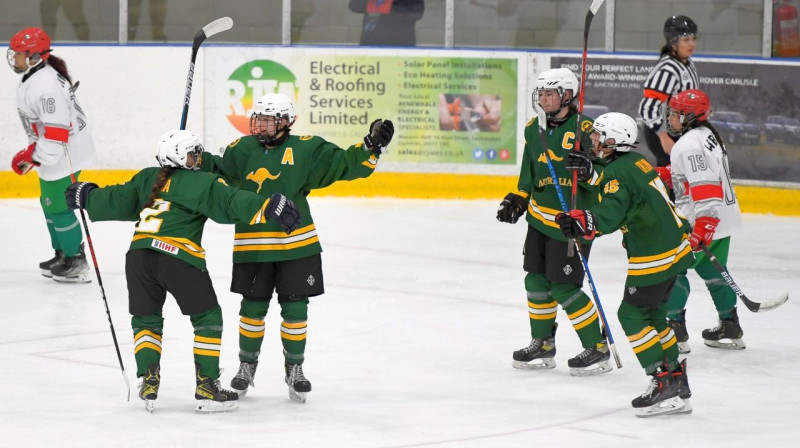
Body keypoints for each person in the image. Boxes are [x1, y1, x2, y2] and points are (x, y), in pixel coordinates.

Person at [63, 129, 302, 413]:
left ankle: (149, 380)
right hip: (178, 257)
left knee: (146, 320)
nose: (198, 158)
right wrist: (268, 205)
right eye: (193, 154)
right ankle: (207, 387)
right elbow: (230, 202)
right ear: (181, 157)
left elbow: (118, 198)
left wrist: (87, 195)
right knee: (208, 319)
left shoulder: (147, 177)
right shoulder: (202, 182)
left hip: (138, 257)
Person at [201, 93, 394, 403]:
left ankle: (295, 369)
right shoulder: (242, 149)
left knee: (296, 310)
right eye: (259, 119)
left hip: (297, 245)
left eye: (268, 120)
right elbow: (220, 172)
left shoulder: (307, 148)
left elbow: (343, 164)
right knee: (251, 310)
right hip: (253, 246)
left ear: (286, 122)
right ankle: (246, 365)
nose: (260, 125)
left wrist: (370, 147)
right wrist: (195, 158)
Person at [556, 112, 695, 417]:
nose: (592, 141)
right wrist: (593, 175)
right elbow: (622, 187)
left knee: (630, 316)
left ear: (613, 141)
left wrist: (584, 221)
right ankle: (676, 380)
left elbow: (611, 212)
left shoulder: (617, 173)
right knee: (655, 316)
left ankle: (661, 382)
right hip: (674, 246)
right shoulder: (635, 161)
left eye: (598, 136)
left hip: (653, 252)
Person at [496, 67, 611, 377]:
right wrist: (519, 198)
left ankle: (598, 348)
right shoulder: (535, 129)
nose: (544, 98)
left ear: (567, 96)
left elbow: (609, 180)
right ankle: (543, 343)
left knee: (565, 288)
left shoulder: (588, 130)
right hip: (539, 221)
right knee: (535, 281)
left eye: (550, 93)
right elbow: (529, 172)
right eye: (542, 93)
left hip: (571, 224)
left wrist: (589, 171)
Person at [655, 89, 745, 353]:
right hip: (722, 217)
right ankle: (730, 325)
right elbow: (697, 173)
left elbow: (705, 186)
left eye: (674, 113)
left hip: (702, 217)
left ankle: (675, 331)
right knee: (715, 272)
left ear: (689, 116)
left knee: (674, 270)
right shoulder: (706, 136)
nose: (670, 117)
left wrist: (703, 226)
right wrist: (666, 174)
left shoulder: (688, 144)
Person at [8, 26, 95, 283]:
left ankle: (75, 259)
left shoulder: (45, 87)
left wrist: (33, 155)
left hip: (65, 153)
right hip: (53, 151)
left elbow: (57, 135)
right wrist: (35, 152)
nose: (14, 58)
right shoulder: (36, 77)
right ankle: (62, 254)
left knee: (58, 207)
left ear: (34, 56)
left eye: (19, 54)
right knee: (49, 205)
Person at [638, 15, 699, 168]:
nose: (692, 43)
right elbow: (648, 108)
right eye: (686, 40)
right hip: (663, 133)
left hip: (679, 131)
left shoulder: (688, 63)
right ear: (673, 42)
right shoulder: (667, 70)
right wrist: (664, 136)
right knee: (673, 178)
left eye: (693, 38)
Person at [349, 0, 425, 46]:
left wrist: (390, 5)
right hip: (370, 40)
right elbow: (354, 6)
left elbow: (417, 13)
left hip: (399, 43)